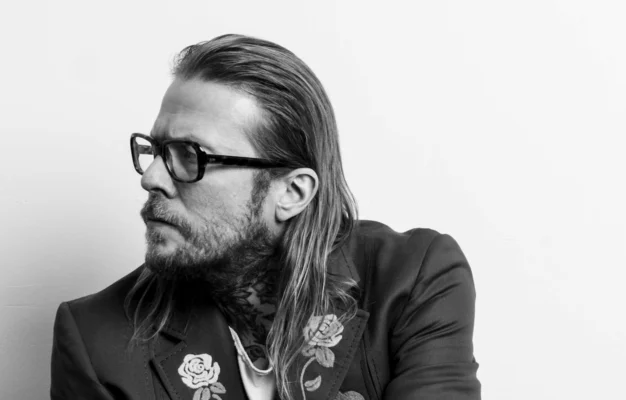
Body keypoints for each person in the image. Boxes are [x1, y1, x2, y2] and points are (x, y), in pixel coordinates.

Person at [49, 34, 480, 400]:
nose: (152, 178)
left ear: (291, 192)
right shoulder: (97, 340)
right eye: (156, 150)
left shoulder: (412, 278)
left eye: (189, 155)